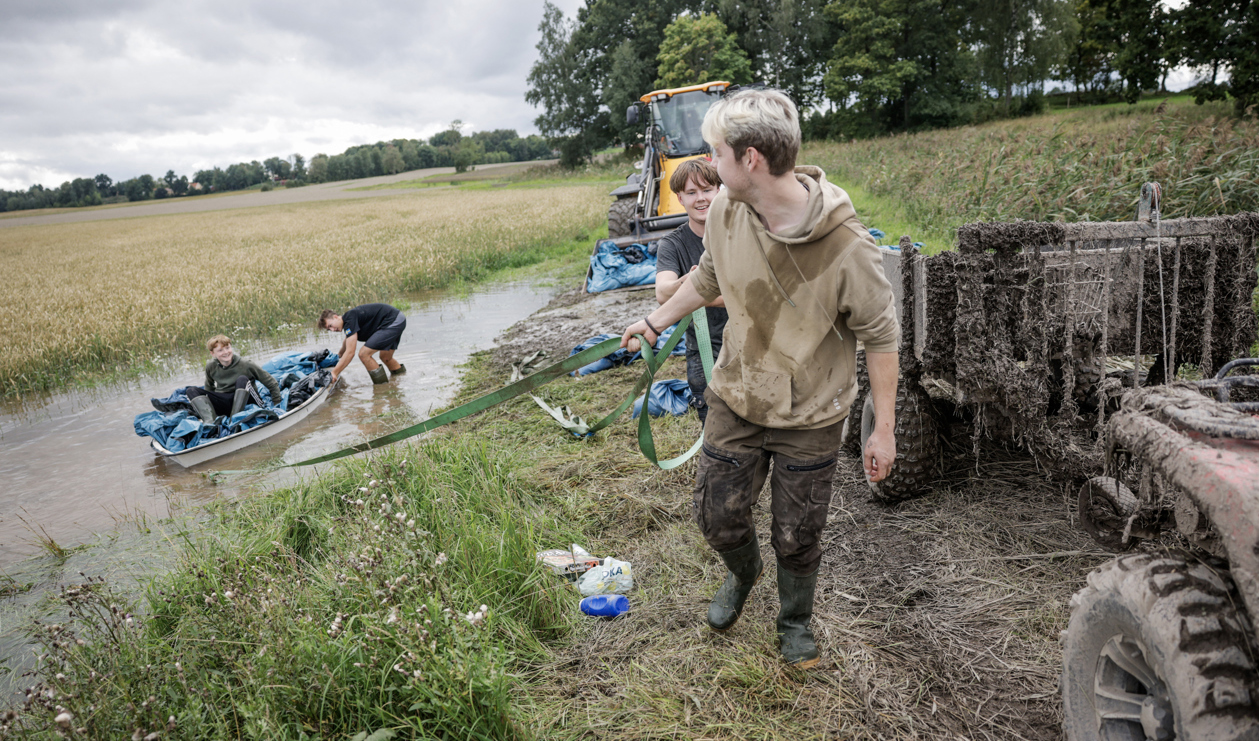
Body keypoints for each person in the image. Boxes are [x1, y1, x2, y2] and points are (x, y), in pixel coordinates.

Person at [620, 89, 900, 669]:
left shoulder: (849, 247)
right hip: (737, 394)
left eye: (716, 153)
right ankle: (743, 573)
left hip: (811, 414)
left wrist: (884, 430)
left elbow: (881, 338)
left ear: (750, 159)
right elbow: (706, 278)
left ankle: (794, 620)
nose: (708, 164)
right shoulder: (727, 210)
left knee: (798, 534)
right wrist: (653, 321)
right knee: (717, 516)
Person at [655, 158, 727, 424]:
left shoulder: (739, 232)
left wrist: (698, 293)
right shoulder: (672, 244)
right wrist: (689, 281)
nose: (701, 199)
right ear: (680, 198)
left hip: (752, 345)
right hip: (705, 352)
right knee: (715, 427)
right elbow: (663, 293)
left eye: (707, 190)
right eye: (691, 192)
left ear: (719, 190)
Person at [186, 335, 283, 424]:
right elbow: (209, 389)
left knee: (242, 379)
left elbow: (272, 383)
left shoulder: (246, 364)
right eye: (220, 350)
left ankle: (234, 420)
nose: (226, 352)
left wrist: (277, 404)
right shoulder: (211, 366)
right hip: (226, 401)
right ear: (213, 353)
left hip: (247, 400)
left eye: (227, 348)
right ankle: (211, 423)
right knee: (191, 390)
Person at [317, 303, 407, 384]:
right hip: (397, 318)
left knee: (364, 354)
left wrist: (334, 373)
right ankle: (402, 379)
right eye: (329, 329)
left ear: (336, 317)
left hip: (392, 320)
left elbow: (350, 352)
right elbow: (348, 339)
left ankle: (382, 389)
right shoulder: (349, 321)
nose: (332, 330)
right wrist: (340, 354)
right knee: (386, 358)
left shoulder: (349, 319)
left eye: (330, 325)